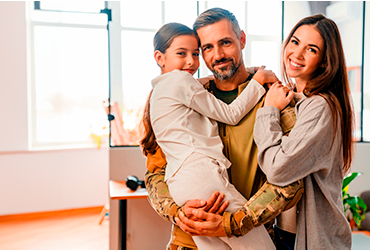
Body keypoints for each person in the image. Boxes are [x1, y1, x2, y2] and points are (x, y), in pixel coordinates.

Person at [143, 8, 303, 249]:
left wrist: (236, 221)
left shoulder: (273, 98)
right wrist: (177, 211)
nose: (217, 55)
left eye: (225, 42)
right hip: (188, 241)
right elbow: (155, 173)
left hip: (246, 232)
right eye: (206, 48)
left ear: (242, 40)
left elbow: (292, 178)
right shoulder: (186, 93)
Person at [253, 14, 353, 249]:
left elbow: (278, 169)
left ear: (325, 61)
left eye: (311, 49)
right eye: (295, 42)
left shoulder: (320, 106)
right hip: (285, 232)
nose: (297, 54)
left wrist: (268, 110)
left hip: (314, 238)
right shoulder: (298, 99)